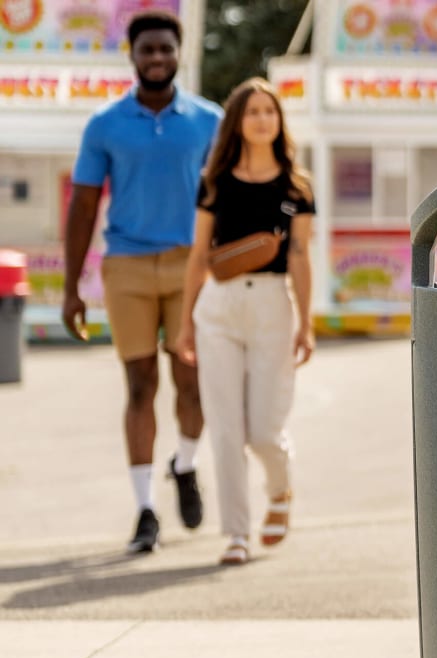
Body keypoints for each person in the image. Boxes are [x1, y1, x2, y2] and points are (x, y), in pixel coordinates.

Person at [62, 10, 223, 553]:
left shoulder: (208, 120)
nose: (157, 58)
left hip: (189, 265)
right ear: (132, 56)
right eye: (147, 50)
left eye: (165, 50)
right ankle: (146, 509)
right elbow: (83, 207)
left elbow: (227, 198)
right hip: (126, 265)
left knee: (191, 381)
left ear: (179, 54)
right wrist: (69, 287)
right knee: (139, 386)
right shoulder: (104, 124)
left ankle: (186, 464)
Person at [175, 77, 315, 567]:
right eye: (252, 111)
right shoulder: (214, 182)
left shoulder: (296, 186)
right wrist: (185, 322)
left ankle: (281, 491)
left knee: (263, 429)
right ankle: (235, 533)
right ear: (238, 121)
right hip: (218, 308)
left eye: (269, 111)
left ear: (279, 121)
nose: (262, 119)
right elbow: (198, 255)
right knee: (226, 430)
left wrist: (307, 322)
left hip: (273, 307)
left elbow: (298, 256)